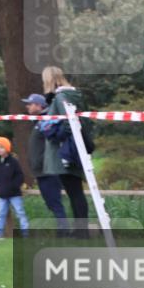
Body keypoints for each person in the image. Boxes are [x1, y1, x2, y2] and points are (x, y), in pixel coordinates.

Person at [39, 66, 91, 238]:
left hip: (64, 152)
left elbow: (69, 122)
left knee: (75, 192)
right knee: (74, 192)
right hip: (70, 149)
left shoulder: (61, 97)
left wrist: (56, 136)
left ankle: (81, 232)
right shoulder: (69, 96)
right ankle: (80, 230)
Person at [22, 94, 68, 235]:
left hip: (48, 170)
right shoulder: (37, 122)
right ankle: (63, 229)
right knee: (51, 203)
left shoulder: (47, 120)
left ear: (39, 105)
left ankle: (64, 231)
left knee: (55, 202)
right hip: (41, 171)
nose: (27, 106)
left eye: (30, 104)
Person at [0, 136, 30, 238]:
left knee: (20, 213)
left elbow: (20, 176)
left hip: (14, 194)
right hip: (2, 195)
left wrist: (13, 187)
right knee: (1, 214)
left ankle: (25, 233)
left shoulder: (13, 161)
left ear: (7, 147)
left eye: (1, 147)